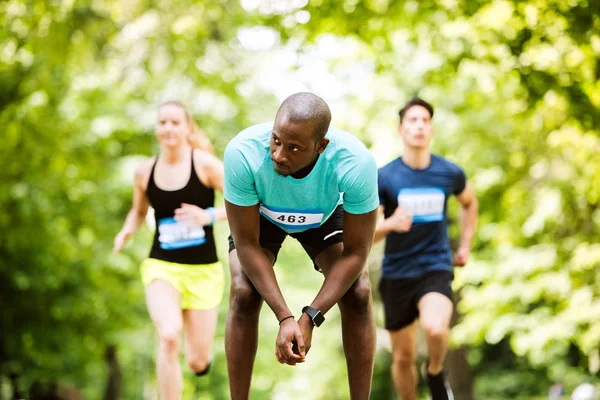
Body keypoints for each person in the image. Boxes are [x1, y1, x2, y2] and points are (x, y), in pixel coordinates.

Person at [223, 92, 379, 400]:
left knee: (359, 292)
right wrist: (285, 317)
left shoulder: (355, 163)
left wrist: (310, 316)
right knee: (243, 291)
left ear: (321, 146)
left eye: (294, 148)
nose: (279, 155)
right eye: (276, 140)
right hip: (261, 214)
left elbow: (357, 253)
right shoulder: (243, 153)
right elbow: (246, 244)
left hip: (321, 215)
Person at [112, 100, 226, 400]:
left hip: (203, 271)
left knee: (197, 360)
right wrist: (126, 230)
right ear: (156, 128)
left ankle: (201, 359)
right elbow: (138, 212)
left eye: (175, 122)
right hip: (161, 265)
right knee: (168, 335)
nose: (168, 128)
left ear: (188, 128)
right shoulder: (144, 172)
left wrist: (208, 215)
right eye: (162, 122)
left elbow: (244, 201)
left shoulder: (205, 164)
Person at [374, 97, 478, 400]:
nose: (419, 126)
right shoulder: (385, 176)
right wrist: (390, 224)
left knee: (435, 328)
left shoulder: (449, 173)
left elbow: (469, 203)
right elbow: (368, 234)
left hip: (435, 266)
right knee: (403, 358)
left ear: (431, 129)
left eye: (425, 121)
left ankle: (434, 372)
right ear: (401, 129)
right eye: (413, 121)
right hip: (397, 273)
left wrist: (466, 246)